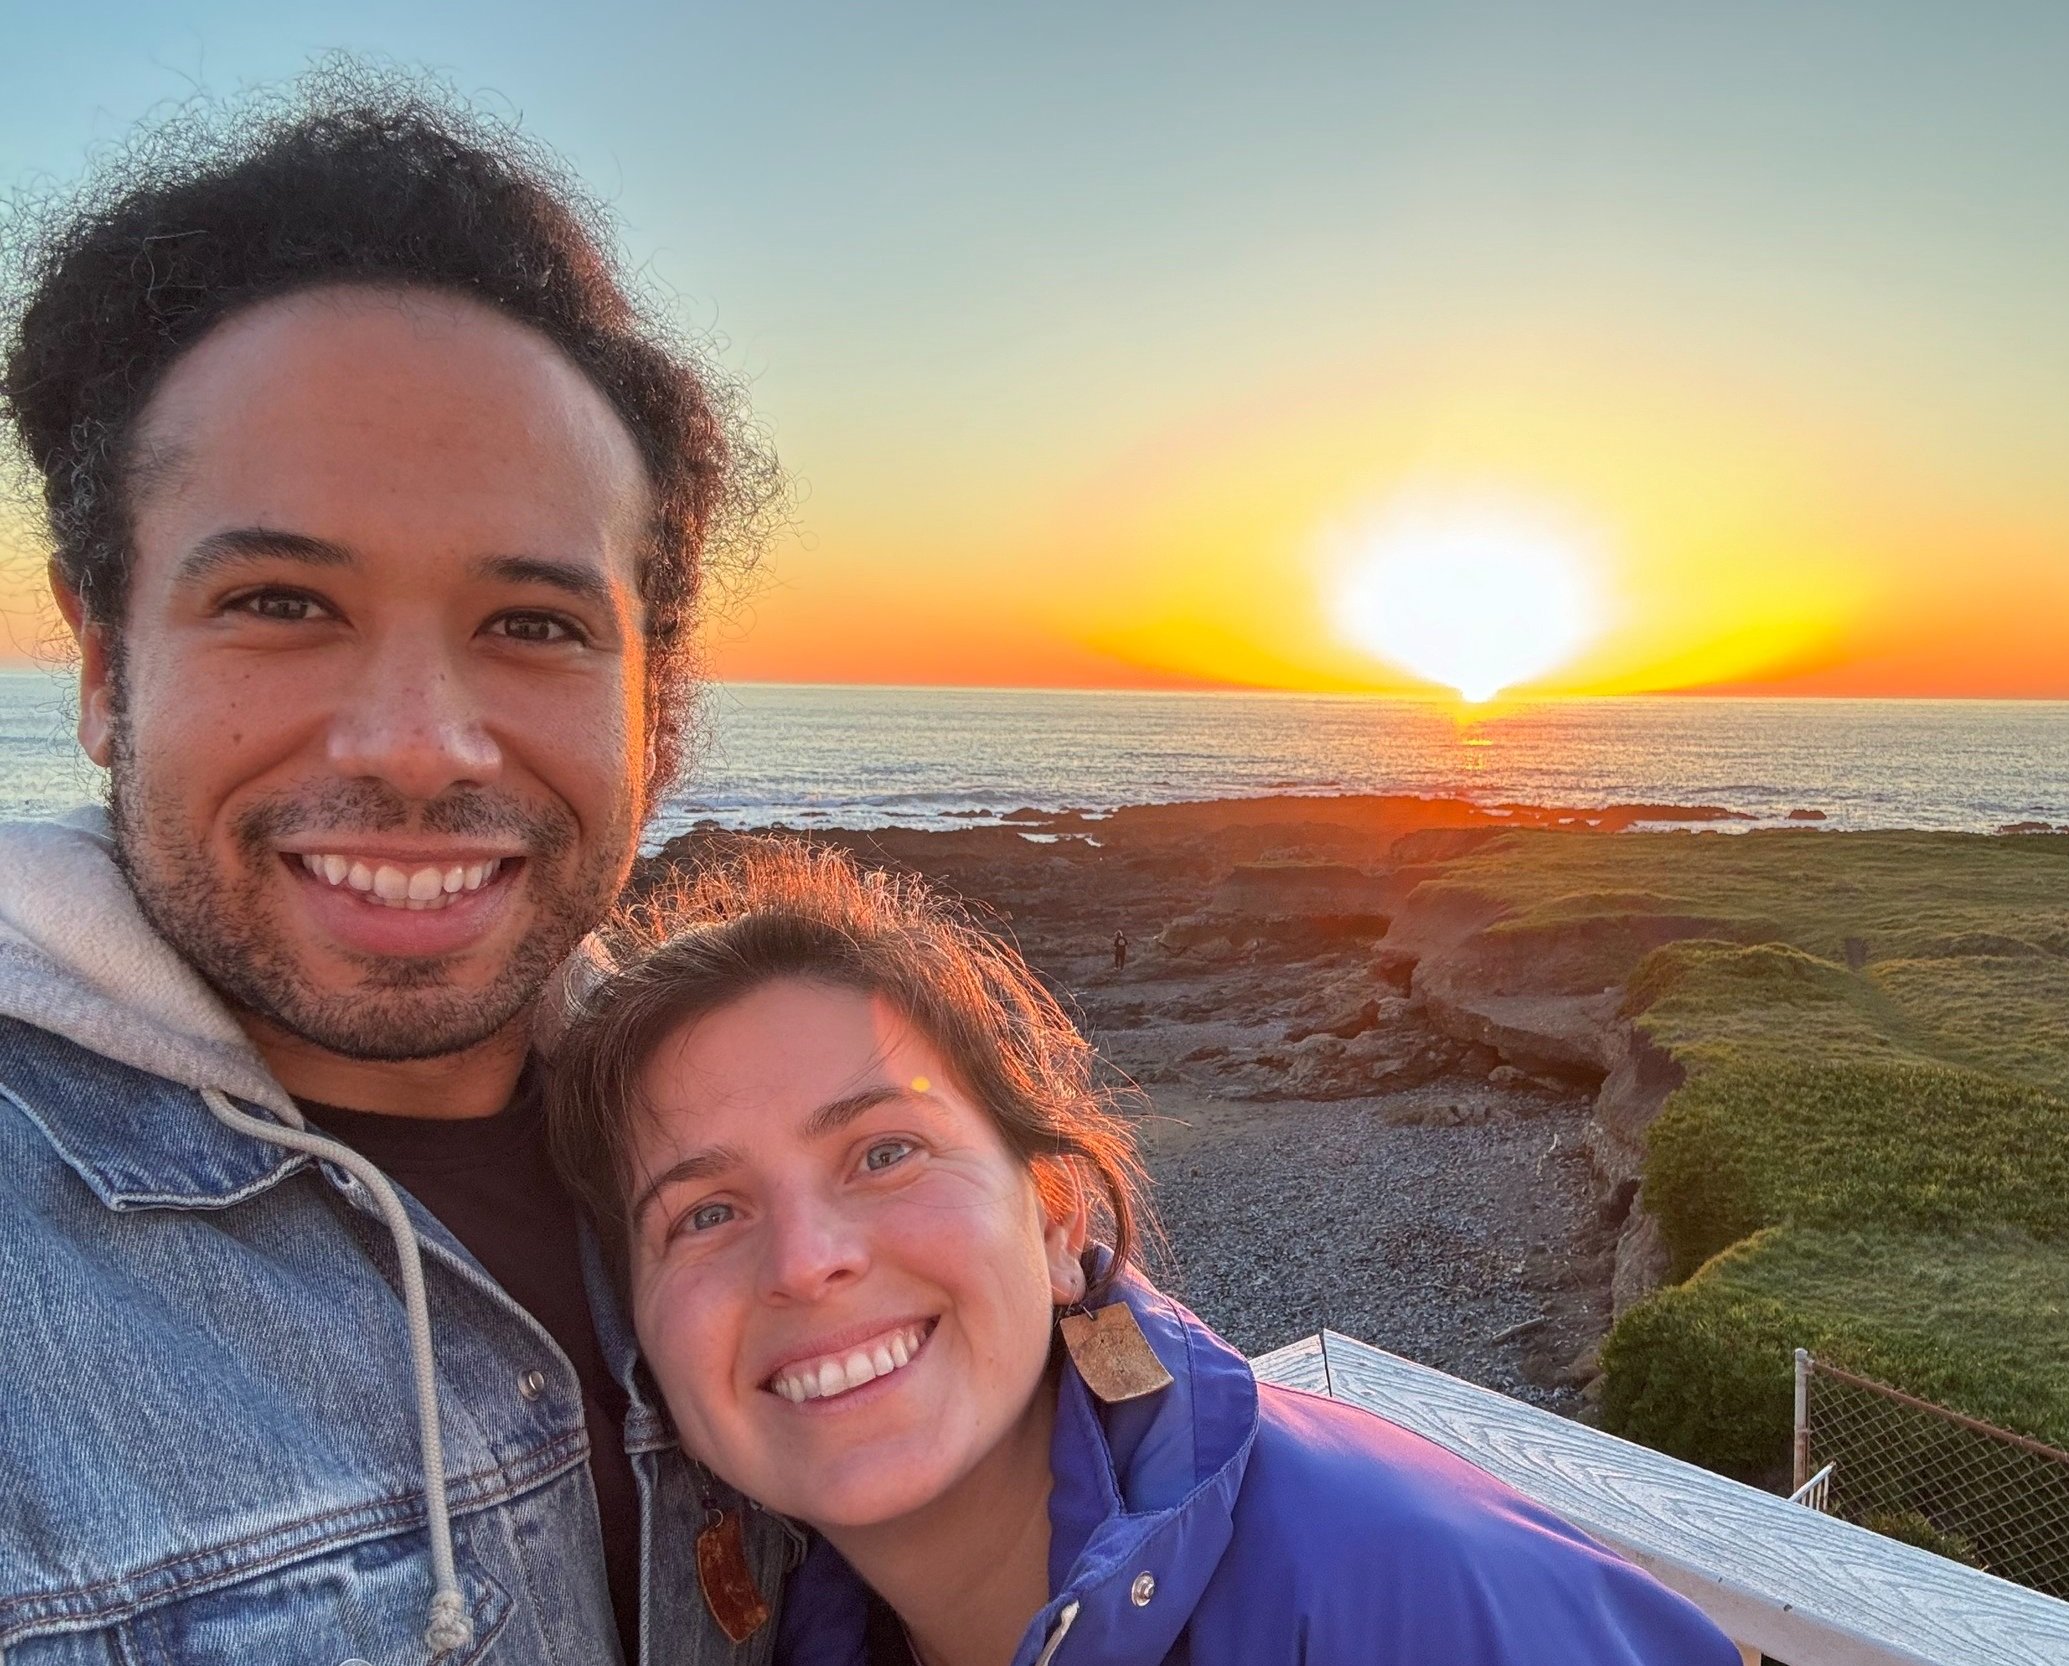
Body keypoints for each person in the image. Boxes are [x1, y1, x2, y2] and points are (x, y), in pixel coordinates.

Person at [0, 79, 788, 1663]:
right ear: (101, 662)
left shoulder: (757, 1165)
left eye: (535, 624)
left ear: (658, 695)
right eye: (283, 602)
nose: (424, 746)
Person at [543, 842, 1741, 1666]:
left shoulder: (1394, 1593)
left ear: (1061, 1222)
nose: (805, 1260)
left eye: (883, 1151)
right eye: (704, 1212)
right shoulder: (825, 1627)